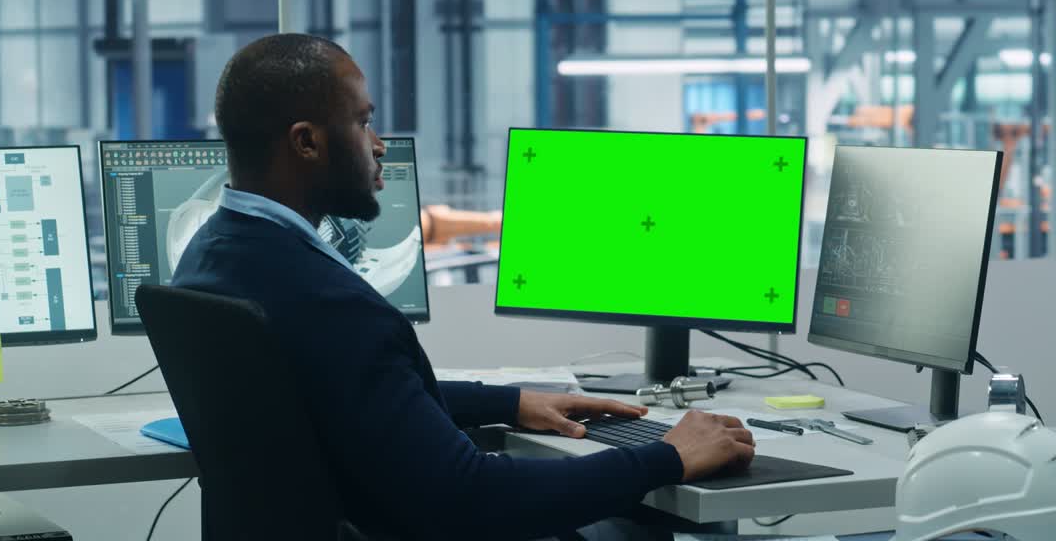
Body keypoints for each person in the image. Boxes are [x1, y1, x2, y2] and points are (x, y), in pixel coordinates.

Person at [171, 33, 755, 540]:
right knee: (651, 528)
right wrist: (666, 456)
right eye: (363, 121)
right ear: (306, 142)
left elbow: (335, 398)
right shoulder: (337, 307)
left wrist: (509, 402)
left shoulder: (213, 257)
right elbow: (469, 497)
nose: (378, 145)